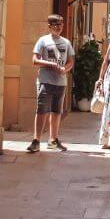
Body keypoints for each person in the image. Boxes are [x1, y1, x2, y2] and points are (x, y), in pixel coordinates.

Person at [26, 14, 75, 154]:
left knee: (56, 111)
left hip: (61, 82)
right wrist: (51, 64)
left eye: (61, 24)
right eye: (55, 24)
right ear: (49, 26)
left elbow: (71, 61)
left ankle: (53, 140)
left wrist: (65, 69)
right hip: (45, 81)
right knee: (42, 110)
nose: (58, 27)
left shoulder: (66, 42)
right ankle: (36, 140)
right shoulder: (43, 40)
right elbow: (34, 60)